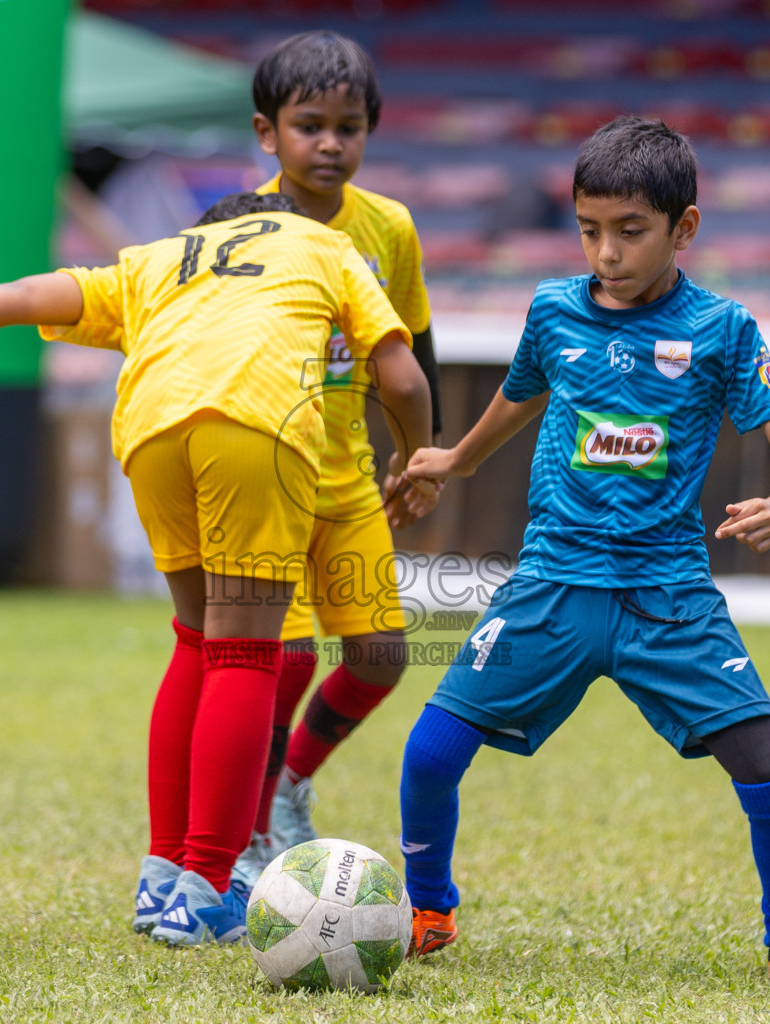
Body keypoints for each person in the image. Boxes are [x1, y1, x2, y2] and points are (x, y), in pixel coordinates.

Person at [0, 191, 434, 946]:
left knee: (196, 642)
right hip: (256, 423)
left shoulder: (159, 259)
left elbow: (21, 295)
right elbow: (401, 378)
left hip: (150, 430)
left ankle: (163, 876)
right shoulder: (320, 244)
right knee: (244, 652)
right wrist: (417, 458)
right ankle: (208, 887)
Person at [394, 117, 770, 989]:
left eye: (630, 231)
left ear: (683, 228)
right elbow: (518, 398)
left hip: (668, 596)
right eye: (589, 231)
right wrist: (455, 458)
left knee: (768, 766)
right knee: (430, 753)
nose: (606, 253)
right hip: (551, 585)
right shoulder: (552, 310)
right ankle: (428, 911)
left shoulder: (723, 330)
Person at [235, 31, 445, 882]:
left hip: (350, 478)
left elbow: (415, 349)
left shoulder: (388, 227)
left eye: (348, 127)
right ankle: (246, 839)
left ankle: (288, 783)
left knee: (381, 655)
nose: (330, 144)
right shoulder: (238, 226)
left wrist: (419, 455)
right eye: (309, 125)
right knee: (277, 665)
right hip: (264, 480)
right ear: (267, 132)